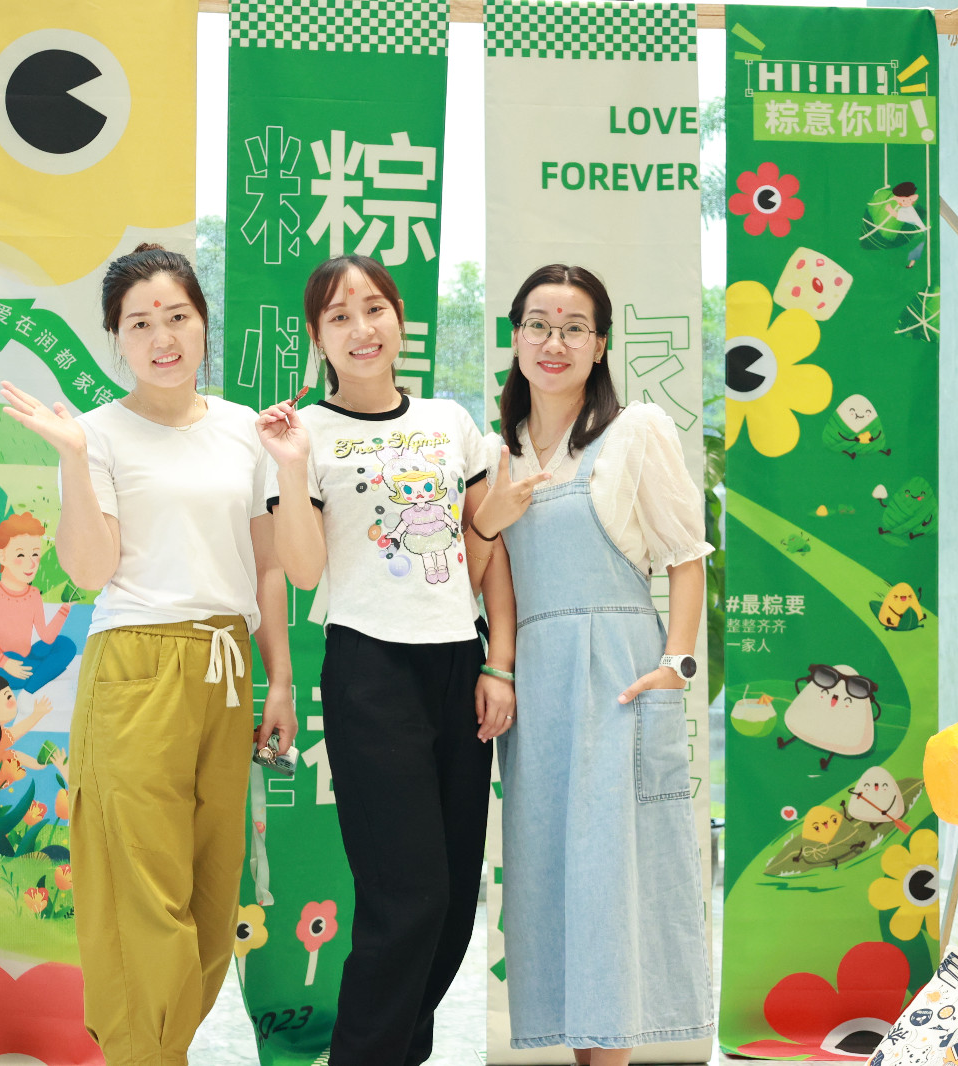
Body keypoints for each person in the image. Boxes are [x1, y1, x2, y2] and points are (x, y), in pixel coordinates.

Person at [0, 243, 296, 1066]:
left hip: (226, 666)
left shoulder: (243, 430)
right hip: (136, 666)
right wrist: (70, 458)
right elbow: (90, 571)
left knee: (211, 892)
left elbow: (269, 565)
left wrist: (279, 678)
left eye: (177, 317)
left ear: (203, 323)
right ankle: (146, 1055)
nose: (162, 338)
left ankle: (162, 1050)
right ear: (115, 338)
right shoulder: (95, 434)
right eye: (139, 324)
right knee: (141, 892)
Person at [256, 253, 517, 1066]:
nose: (361, 328)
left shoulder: (449, 422)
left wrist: (499, 662)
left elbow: (484, 552)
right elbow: (303, 571)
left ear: (401, 320)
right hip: (370, 672)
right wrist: (291, 465)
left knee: (451, 907)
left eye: (374, 308)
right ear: (318, 338)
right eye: (339, 317)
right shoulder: (305, 436)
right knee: (408, 899)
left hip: (458, 665)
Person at [469, 264, 714, 1063]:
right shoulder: (498, 452)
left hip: (618, 676)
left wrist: (675, 665)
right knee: (551, 882)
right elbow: (493, 577)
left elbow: (685, 555)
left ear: (600, 345)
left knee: (615, 881)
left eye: (574, 328)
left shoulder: (634, 432)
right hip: (539, 690)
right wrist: (502, 667)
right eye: (538, 325)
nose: (555, 342)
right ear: (515, 338)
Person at [0, 512, 76, 692]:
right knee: (0, 663)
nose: (31, 563)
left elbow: (46, 637)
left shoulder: (33, 594)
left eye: (35, 554)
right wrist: (5, 663)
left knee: (66, 645)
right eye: (21, 555)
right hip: (3, 666)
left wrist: (65, 608)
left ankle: (32, 685)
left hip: (27, 659)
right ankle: (43, 675)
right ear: (2, 557)